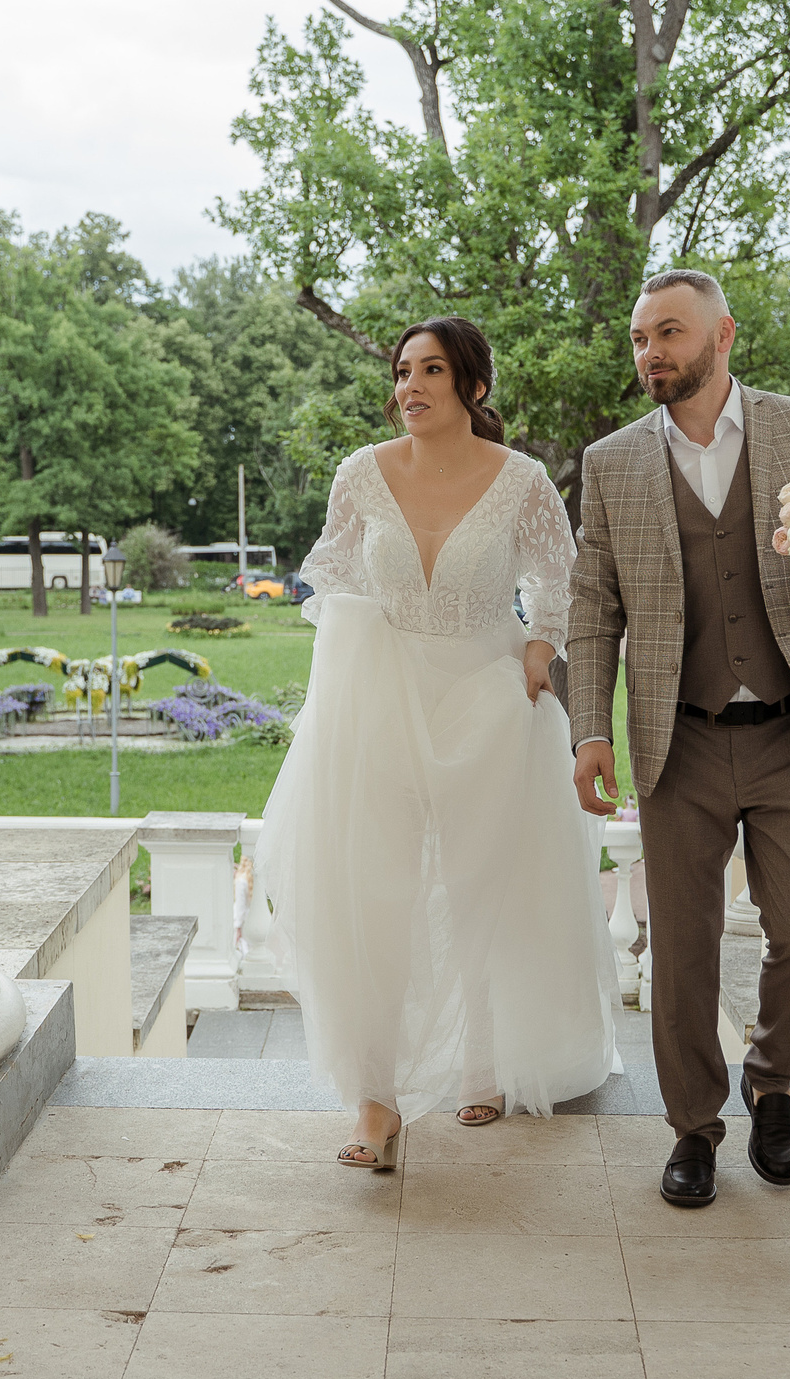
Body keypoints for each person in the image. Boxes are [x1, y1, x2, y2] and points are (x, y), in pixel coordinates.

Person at [566, 270, 790, 1207]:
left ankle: (772, 1076)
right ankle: (693, 1126)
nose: (650, 353)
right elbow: (591, 606)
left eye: (668, 333)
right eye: (639, 339)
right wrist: (590, 727)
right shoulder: (613, 461)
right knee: (680, 947)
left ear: (725, 336)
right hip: (681, 740)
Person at [256, 317, 620, 1167]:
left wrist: (540, 646)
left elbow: (557, 578)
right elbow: (330, 572)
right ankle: (375, 1104)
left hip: (487, 698)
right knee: (375, 890)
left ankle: (483, 1065)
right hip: (379, 699)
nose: (408, 387)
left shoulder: (522, 479)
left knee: (480, 882)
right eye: (401, 372)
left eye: (429, 371)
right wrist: (361, 640)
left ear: (473, 388)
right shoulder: (362, 472)